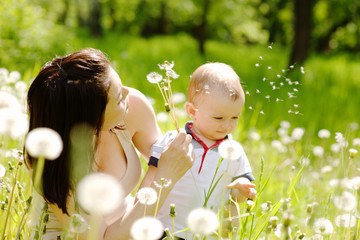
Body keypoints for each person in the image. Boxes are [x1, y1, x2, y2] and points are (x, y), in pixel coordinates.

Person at [25, 48, 193, 239]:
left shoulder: (132, 106)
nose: (128, 92)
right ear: (91, 117)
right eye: (119, 98)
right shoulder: (52, 160)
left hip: (130, 225)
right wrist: (164, 179)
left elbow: (167, 158)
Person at [147, 62, 257, 239]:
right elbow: (150, 179)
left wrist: (242, 190)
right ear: (192, 111)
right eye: (218, 117)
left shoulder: (233, 151)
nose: (227, 125)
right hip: (163, 229)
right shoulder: (174, 141)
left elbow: (235, 198)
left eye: (234, 117)